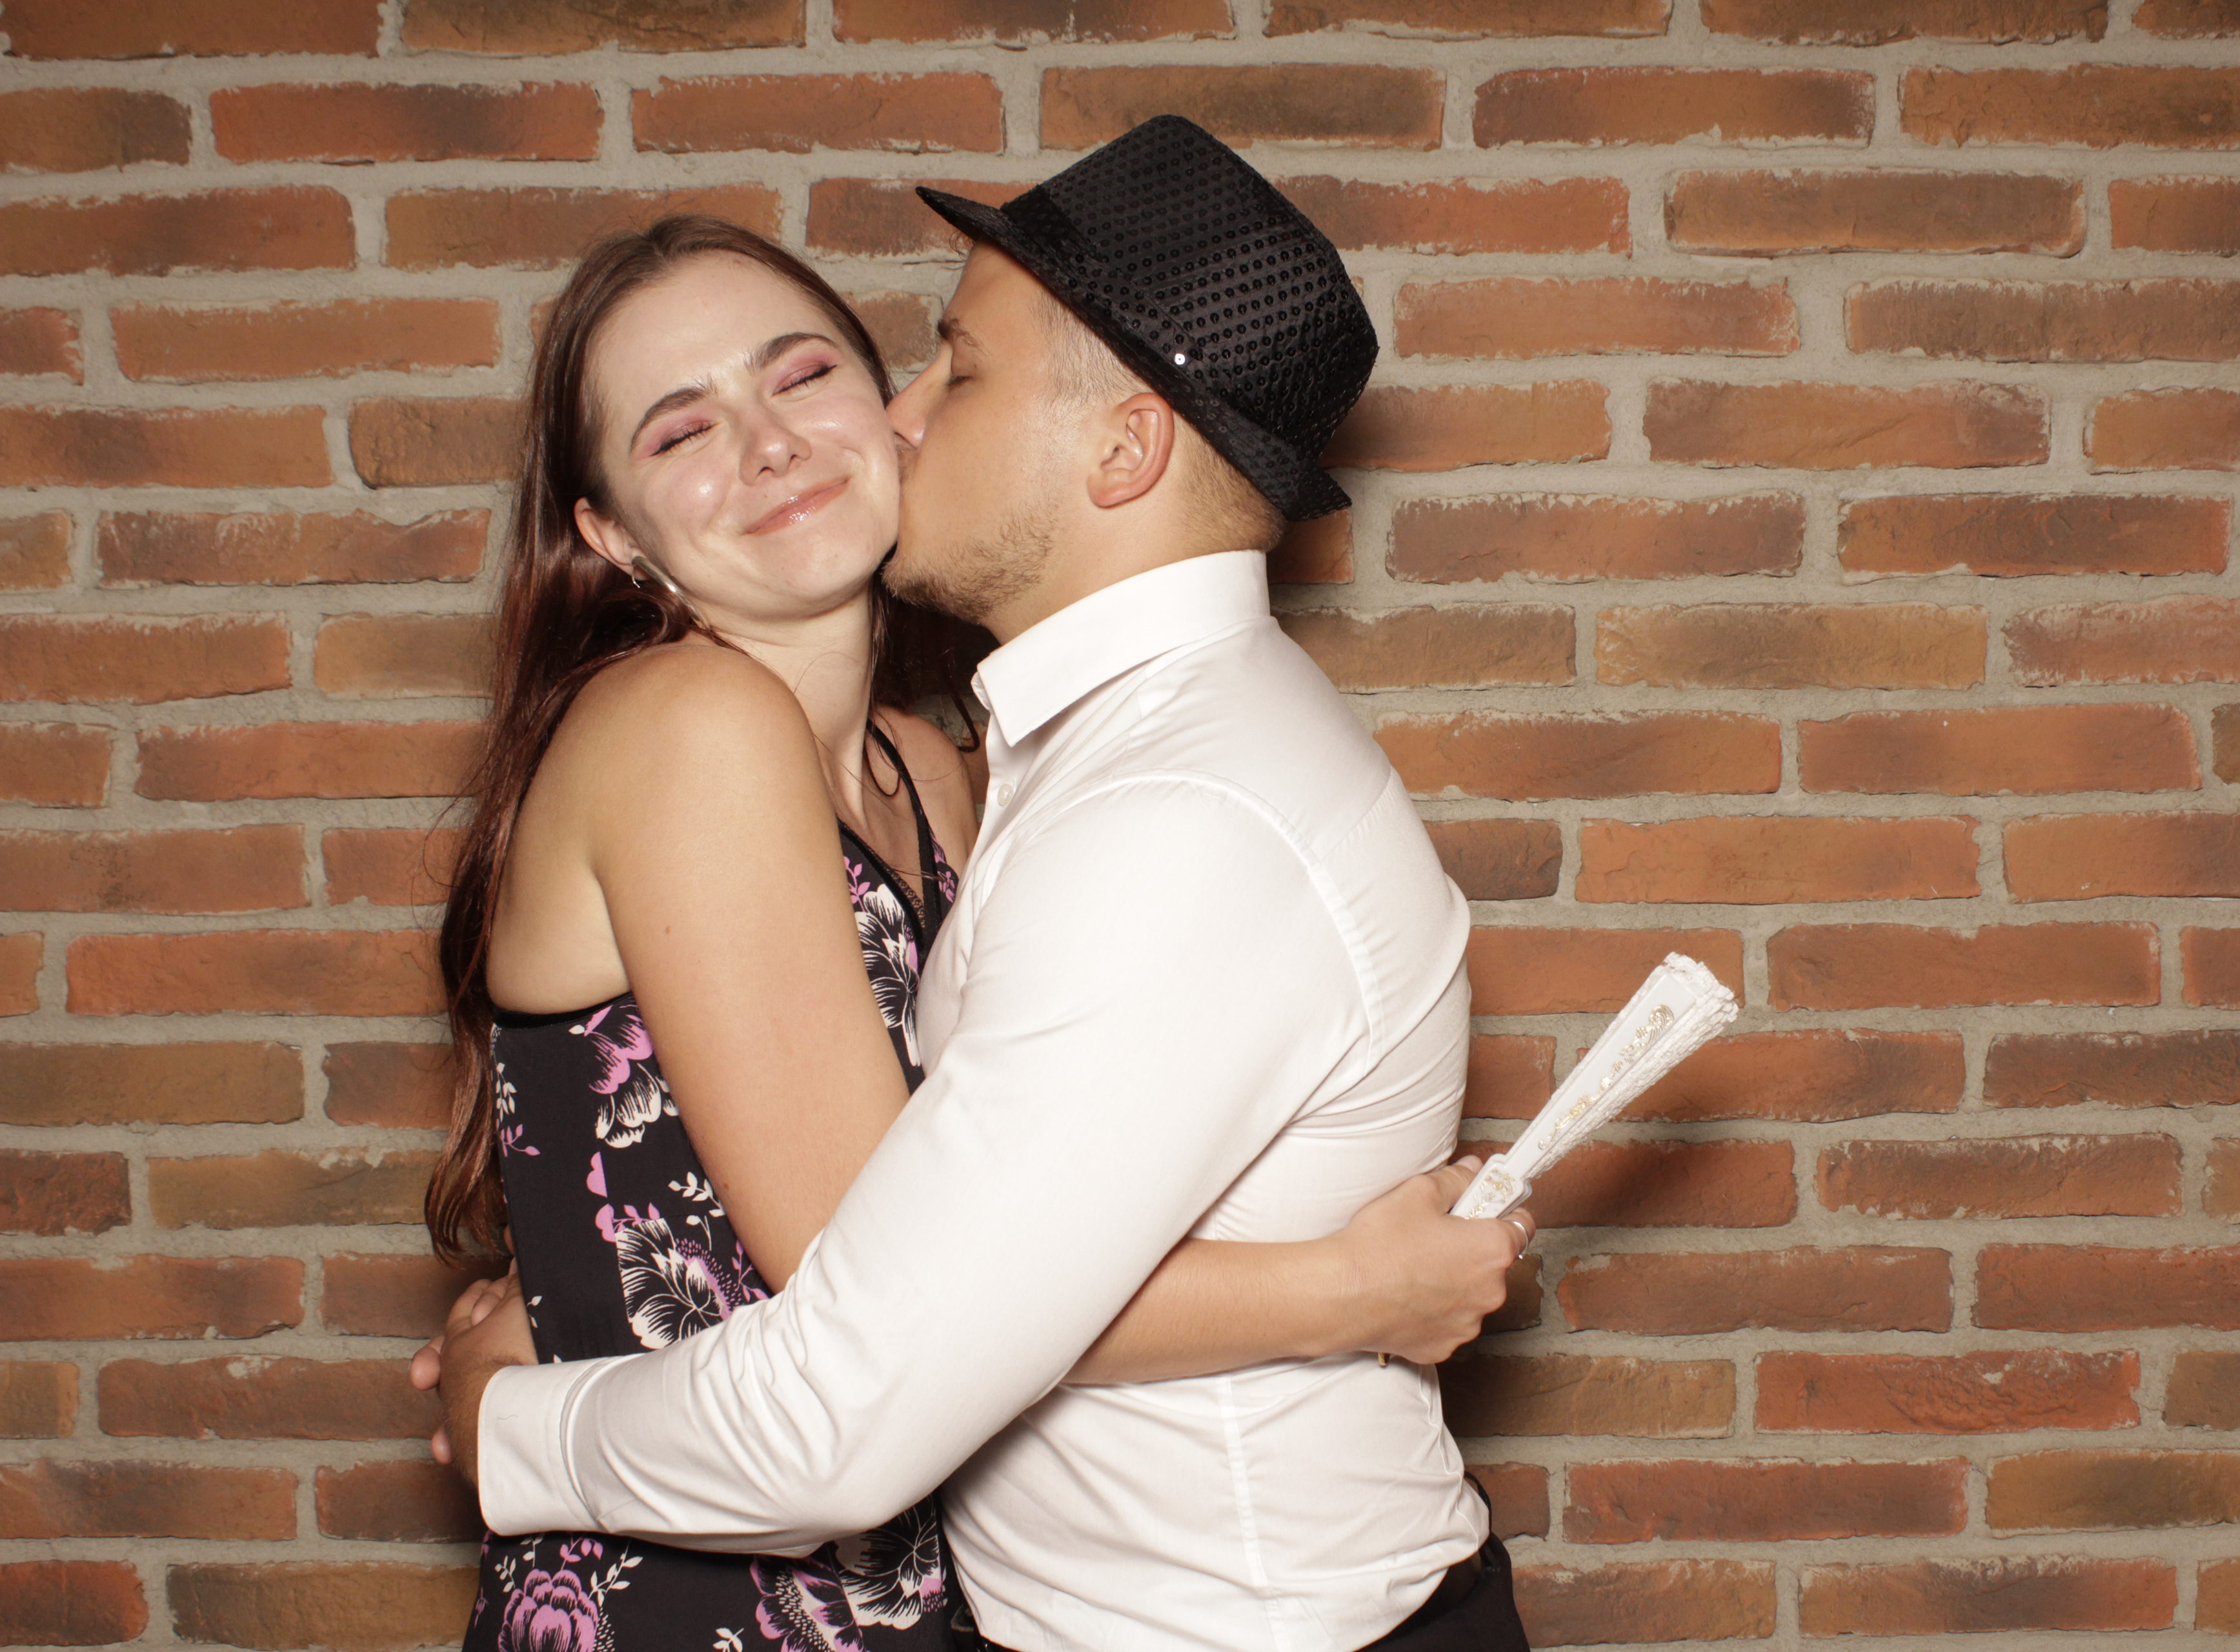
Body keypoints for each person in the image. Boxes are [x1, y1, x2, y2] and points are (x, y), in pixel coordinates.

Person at [432, 117, 1533, 1651]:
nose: (776, 440)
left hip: (908, 1577)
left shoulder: (947, 766)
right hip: (712, 1588)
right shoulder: (691, 726)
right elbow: (885, 1300)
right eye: (679, 430)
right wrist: (1337, 1289)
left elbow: (960, 1279)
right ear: (612, 533)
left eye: (810, 373)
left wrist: (1352, 1285)